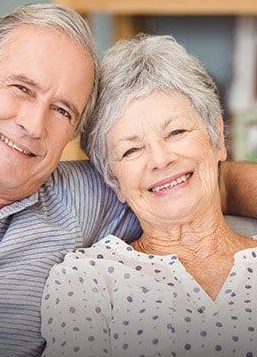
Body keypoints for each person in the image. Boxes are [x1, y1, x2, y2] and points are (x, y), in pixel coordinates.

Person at [0, 6, 255, 357]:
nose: (32, 124)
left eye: (62, 110)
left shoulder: (74, 199)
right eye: (21, 88)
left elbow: (200, 182)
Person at [41, 34, 257, 357]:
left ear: (217, 139)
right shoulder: (88, 280)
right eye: (131, 150)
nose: (160, 159)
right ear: (114, 181)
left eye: (176, 132)